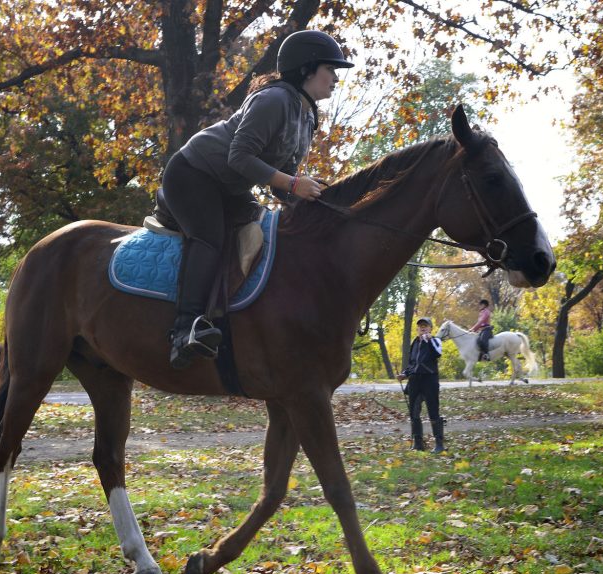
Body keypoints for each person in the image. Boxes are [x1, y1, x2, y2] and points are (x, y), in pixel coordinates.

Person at [159, 30, 354, 369]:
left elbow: (281, 181)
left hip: (227, 187)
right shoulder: (274, 100)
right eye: (330, 69)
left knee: (263, 231)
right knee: (211, 236)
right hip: (192, 174)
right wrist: (294, 185)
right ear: (308, 69)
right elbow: (240, 158)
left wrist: (321, 204)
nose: (336, 78)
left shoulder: (305, 117)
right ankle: (184, 330)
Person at [398, 318, 445, 453]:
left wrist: (429, 340)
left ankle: (439, 444)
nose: (423, 328)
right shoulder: (414, 342)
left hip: (430, 380)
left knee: (433, 411)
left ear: (430, 328)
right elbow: (412, 363)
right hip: (414, 381)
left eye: (425, 326)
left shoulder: (435, 341)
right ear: (417, 329)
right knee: (414, 412)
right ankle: (418, 443)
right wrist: (404, 374)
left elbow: (438, 354)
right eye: (420, 326)